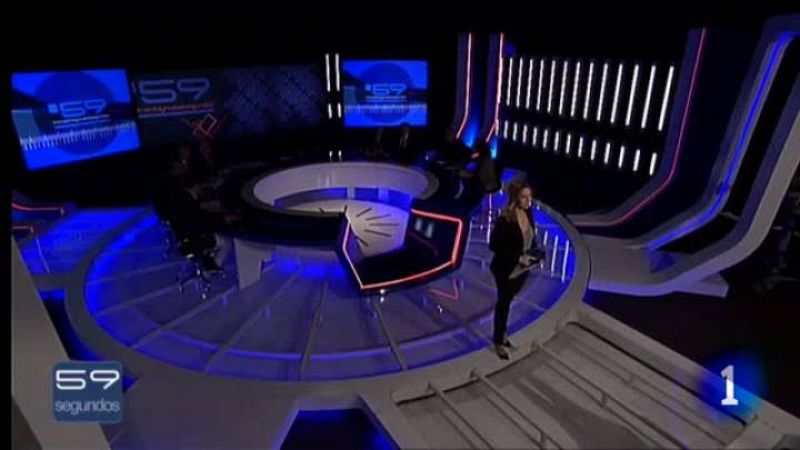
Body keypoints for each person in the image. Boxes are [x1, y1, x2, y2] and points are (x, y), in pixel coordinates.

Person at [489, 180, 544, 359]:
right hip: (505, 269)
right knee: (503, 304)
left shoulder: (528, 213)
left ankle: (502, 335)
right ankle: (499, 340)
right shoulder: (505, 219)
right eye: (524, 197)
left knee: (508, 301)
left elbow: (530, 238)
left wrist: (537, 255)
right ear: (515, 198)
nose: (529, 200)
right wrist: (518, 258)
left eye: (530, 196)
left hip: (521, 269)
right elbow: (494, 245)